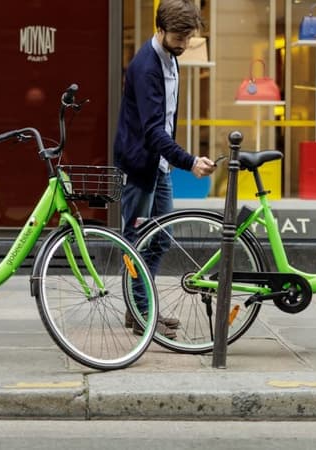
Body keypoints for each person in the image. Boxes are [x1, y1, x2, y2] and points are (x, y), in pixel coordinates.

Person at [114, 0, 216, 339]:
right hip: (140, 166)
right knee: (136, 241)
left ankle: (138, 306)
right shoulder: (145, 67)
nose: (184, 44)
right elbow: (154, 130)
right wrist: (188, 161)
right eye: (179, 36)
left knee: (162, 236)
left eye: (188, 37)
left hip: (158, 164)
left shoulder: (171, 58)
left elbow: (166, 121)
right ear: (160, 29)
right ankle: (143, 312)